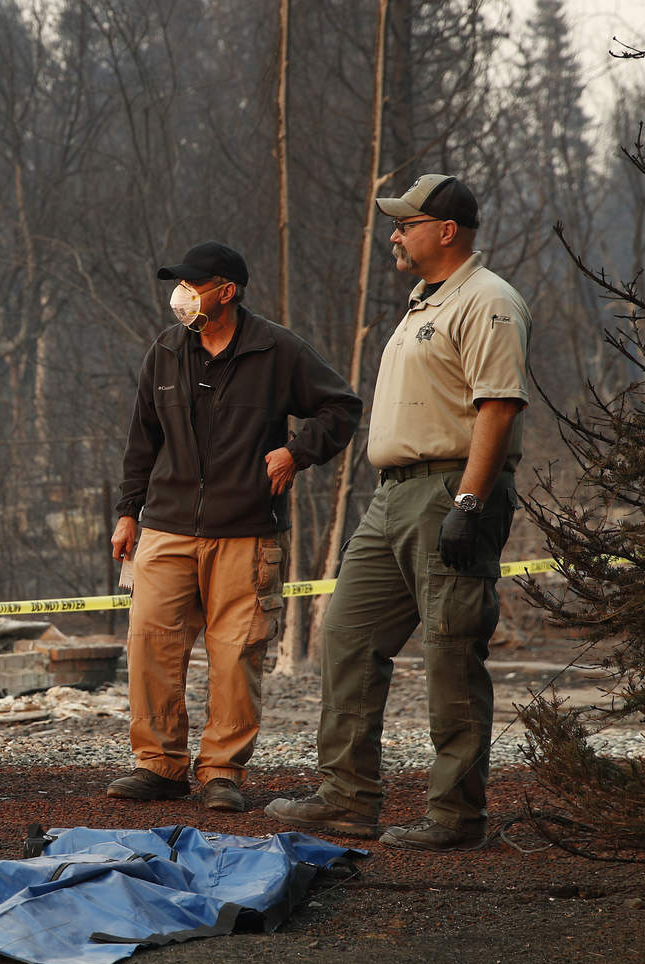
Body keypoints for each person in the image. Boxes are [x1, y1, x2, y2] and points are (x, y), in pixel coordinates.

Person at [265, 174, 531, 851]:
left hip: (450, 488)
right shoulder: (426, 303)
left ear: (446, 231)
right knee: (347, 635)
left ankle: (454, 816)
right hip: (393, 496)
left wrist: (469, 502)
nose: (394, 233)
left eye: (406, 223)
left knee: (450, 650)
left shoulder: (489, 301)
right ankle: (347, 798)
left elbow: (497, 408)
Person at [107, 241, 361, 813]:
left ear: (228, 291)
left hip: (247, 529)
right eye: (181, 284)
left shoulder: (278, 349)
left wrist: (298, 452)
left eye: (194, 284)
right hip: (166, 525)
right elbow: (141, 438)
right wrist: (128, 511)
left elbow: (341, 407)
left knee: (236, 653)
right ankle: (159, 765)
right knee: (149, 643)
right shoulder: (167, 350)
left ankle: (222, 771)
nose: (183, 295)